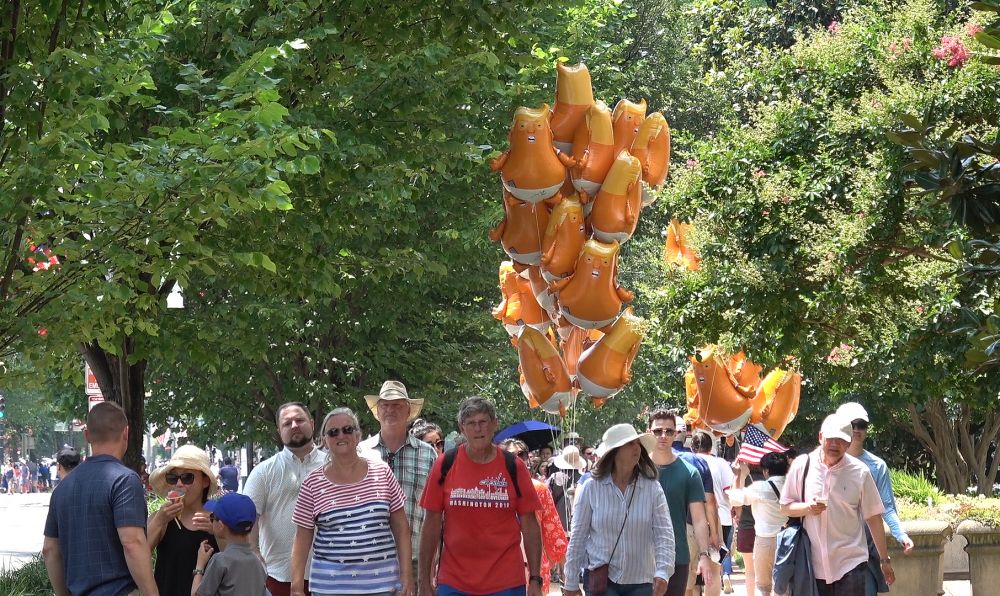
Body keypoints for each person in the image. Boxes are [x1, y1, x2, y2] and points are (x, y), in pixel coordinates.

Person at [418, 396, 544, 596]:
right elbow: (431, 524)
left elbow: (530, 524)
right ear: (462, 428)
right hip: (454, 583)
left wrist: (535, 578)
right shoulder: (444, 465)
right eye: (471, 423)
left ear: (495, 424)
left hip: (506, 583)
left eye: (483, 421)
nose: (478, 429)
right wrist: (424, 580)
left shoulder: (514, 466)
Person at [291, 407, 413, 596]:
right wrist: (296, 587)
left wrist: (406, 575)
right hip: (329, 589)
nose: (341, 435)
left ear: (357, 435)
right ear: (324, 440)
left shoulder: (382, 472)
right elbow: (302, 538)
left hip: (382, 586)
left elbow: (401, 528)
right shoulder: (312, 483)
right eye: (333, 432)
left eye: (347, 429)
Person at [42, 401, 158, 595]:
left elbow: (50, 550)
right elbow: (132, 542)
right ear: (126, 433)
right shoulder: (124, 480)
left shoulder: (62, 488)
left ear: (87, 435)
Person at [779, 414, 894, 594]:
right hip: (812, 563)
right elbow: (785, 506)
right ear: (820, 437)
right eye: (830, 438)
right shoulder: (802, 465)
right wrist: (807, 508)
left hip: (851, 563)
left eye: (841, 440)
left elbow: (873, 517)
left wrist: (884, 560)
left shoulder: (860, 472)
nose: (835, 444)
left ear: (849, 443)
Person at [563, 423, 674, 596]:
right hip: (602, 581)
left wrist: (663, 572)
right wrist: (570, 582)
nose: (637, 448)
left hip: (641, 581)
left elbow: (664, 534)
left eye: (638, 443)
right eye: (630, 444)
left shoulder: (652, 488)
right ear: (614, 452)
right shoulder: (591, 487)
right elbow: (578, 537)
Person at [243, 401, 326, 596]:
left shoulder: (332, 467)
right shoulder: (264, 472)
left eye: (299, 420)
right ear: (279, 431)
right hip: (278, 577)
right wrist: (254, 553)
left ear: (312, 423)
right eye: (287, 423)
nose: (294, 426)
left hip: (329, 576)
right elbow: (247, 518)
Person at [360, 380, 437, 585]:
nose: (390, 410)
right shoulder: (360, 453)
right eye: (385, 405)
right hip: (368, 559)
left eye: (397, 405)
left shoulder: (427, 454)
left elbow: (437, 511)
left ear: (408, 411)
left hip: (415, 559)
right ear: (377, 411)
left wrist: (434, 562)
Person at [647, 409, 713, 596]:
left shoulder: (689, 472)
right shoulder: (637, 470)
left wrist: (704, 555)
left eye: (668, 431)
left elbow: (699, 519)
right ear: (648, 432)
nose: (663, 436)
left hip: (677, 556)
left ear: (676, 433)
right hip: (640, 557)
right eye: (657, 431)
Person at [836, 402, 914, 555]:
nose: (856, 429)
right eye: (852, 425)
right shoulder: (829, 463)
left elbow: (887, 507)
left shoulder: (877, 466)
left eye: (861, 425)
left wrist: (901, 535)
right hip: (835, 542)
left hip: (866, 543)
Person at [148, 444, 221, 596]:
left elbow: (235, 558)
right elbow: (139, 553)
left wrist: (218, 532)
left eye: (187, 477)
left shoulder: (218, 520)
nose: (179, 484)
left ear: (205, 481)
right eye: (173, 478)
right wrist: (159, 521)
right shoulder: (162, 517)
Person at [502, 438, 569, 594]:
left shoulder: (539, 489)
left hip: (534, 568)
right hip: (500, 566)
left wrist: (565, 575)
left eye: (522, 454)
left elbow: (554, 532)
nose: (517, 459)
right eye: (511, 455)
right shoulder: (492, 491)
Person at [727, 452, 790, 596]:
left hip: (765, 540)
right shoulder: (793, 486)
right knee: (785, 585)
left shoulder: (761, 487)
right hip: (790, 539)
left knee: (764, 586)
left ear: (766, 471)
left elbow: (735, 500)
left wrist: (738, 475)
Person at [191, 492, 268, 596]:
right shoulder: (258, 563)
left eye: (212, 517)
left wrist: (199, 566)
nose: (211, 520)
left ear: (220, 525)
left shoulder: (220, 560)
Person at [691, 433, 735, 595]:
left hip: (693, 521)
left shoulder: (688, 462)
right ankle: (724, 577)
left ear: (692, 447)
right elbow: (730, 490)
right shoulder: (720, 463)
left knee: (694, 573)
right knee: (715, 570)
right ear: (711, 447)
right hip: (721, 519)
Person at [729, 462, 764, 596]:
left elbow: (734, 502)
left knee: (749, 570)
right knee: (767, 570)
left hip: (746, 526)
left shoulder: (741, 478)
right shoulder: (767, 479)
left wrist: (737, 475)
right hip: (765, 529)